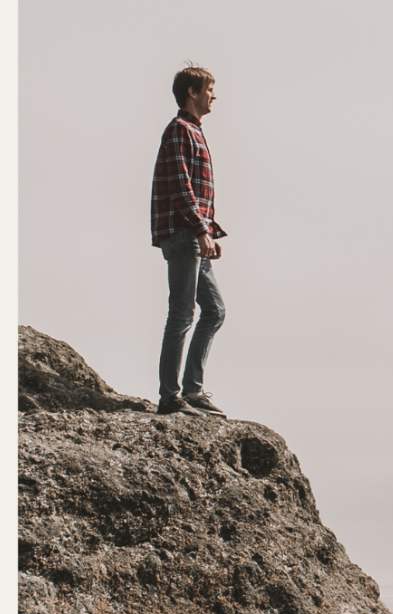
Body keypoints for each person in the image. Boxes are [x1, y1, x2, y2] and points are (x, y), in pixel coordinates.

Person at [152, 63, 228, 417]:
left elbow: (192, 191)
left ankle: (193, 391)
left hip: (194, 234)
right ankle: (170, 398)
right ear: (192, 92)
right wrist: (200, 230)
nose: (214, 96)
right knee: (182, 312)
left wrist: (209, 231)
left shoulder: (193, 131)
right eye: (209, 89)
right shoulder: (180, 130)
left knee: (214, 310)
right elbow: (182, 189)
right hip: (184, 235)